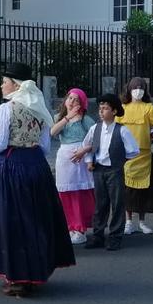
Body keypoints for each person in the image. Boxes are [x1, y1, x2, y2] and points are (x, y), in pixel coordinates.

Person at [0, 64, 76, 296]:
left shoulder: (7, 109)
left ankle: (18, 279)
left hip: (12, 168)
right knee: (35, 220)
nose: (2, 85)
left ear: (15, 84)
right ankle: (35, 273)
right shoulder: (39, 108)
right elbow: (44, 146)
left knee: (12, 221)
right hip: (37, 168)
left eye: (5, 81)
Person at [77, 93, 141, 251]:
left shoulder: (122, 130)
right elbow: (88, 145)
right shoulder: (95, 128)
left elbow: (134, 151)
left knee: (117, 202)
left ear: (113, 111)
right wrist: (89, 161)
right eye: (100, 108)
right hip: (99, 170)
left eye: (105, 108)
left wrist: (121, 159)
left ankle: (115, 236)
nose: (101, 111)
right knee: (100, 203)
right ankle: (98, 235)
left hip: (114, 170)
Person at [50, 89, 97, 245]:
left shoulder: (86, 120)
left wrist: (85, 150)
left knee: (81, 193)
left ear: (82, 104)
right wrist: (67, 118)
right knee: (66, 193)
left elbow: (96, 139)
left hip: (82, 160)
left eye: (76, 100)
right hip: (65, 159)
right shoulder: (59, 118)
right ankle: (69, 227)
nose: (71, 102)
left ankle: (80, 228)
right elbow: (53, 132)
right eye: (69, 98)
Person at [118, 77, 153, 235]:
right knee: (127, 190)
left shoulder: (149, 108)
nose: (138, 90)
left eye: (142, 87)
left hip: (144, 155)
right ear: (129, 89)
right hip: (126, 156)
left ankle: (142, 221)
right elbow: (116, 128)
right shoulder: (122, 108)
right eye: (135, 87)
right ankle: (129, 221)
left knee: (145, 191)